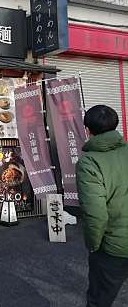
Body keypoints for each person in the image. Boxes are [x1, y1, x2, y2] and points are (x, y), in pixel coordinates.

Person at [76, 105, 128, 307]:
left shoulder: (89, 163)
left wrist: (94, 246)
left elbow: (96, 214)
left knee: (100, 300)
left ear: (87, 130)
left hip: (113, 247)